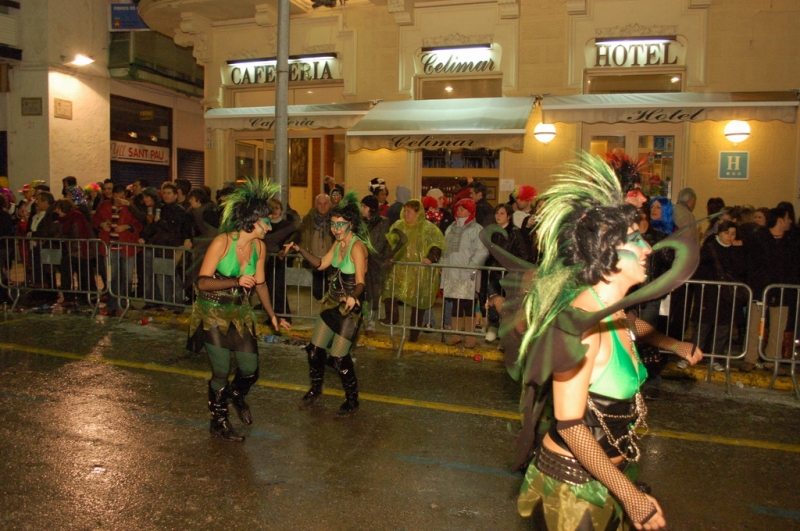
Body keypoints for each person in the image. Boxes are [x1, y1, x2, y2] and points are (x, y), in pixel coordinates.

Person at [492, 153, 702, 530]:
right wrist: (632, 496)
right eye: (635, 240)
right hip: (571, 492)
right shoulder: (579, 328)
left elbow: (631, 326)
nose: (648, 249)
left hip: (607, 478)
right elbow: (571, 424)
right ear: (607, 253)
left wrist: (674, 345)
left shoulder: (610, 309)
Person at [187, 178, 290, 442]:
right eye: (266, 220)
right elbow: (202, 282)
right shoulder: (223, 242)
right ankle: (219, 422)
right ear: (253, 221)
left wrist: (273, 315)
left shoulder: (259, 246)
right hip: (212, 313)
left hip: (240, 313)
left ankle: (237, 395)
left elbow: (262, 284)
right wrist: (234, 281)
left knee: (250, 369)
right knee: (221, 371)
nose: (270, 225)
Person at [284, 191, 370, 415]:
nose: (335, 229)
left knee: (339, 359)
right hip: (331, 303)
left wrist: (354, 296)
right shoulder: (339, 243)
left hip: (349, 310)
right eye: (333, 224)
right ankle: (315, 390)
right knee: (314, 350)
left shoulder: (357, 247)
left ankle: (352, 400)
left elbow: (360, 282)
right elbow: (321, 264)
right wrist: (299, 249)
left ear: (350, 224)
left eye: (340, 225)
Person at [381, 200, 445, 342]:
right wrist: (388, 256)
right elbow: (389, 242)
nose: (406, 214)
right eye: (405, 210)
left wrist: (430, 258)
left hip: (419, 271)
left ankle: (414, 334)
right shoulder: (398, 225)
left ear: (418, 213)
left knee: (418, 301)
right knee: (389, 290)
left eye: (409, 211)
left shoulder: (428, 229)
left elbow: (437, 244)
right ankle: (392, 317)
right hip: (399, 269)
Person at [441, 198, 489, 348]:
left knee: (468, 304)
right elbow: (445, 249)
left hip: (468, 274)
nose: (459, 212)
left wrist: (471, 267)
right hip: (453, 273)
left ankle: (470, 336)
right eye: (458, 209)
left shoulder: (477, 229)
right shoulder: (451, 228)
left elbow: (481, 251)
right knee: (455, 303)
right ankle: (456, 334)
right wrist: (443, 265)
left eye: (462, 209)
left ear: (470, 211)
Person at [93, 184, 143, 315]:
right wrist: (101, 225)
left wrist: (127, 226)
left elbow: (140, 222)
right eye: (116, 198)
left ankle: (124, 303)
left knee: (127, 277)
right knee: (112, 276)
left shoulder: (131, 207)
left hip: (127, 247)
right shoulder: (104, 205)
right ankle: (113, 303)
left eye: (120, 198)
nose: (118, 201)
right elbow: (95, 220)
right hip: (110, 247)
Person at [483, 203, 529, 342]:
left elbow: (523, 254)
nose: (498, 216)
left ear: (509, 216)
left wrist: (511, 265)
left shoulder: (515, 232)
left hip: (509, 275)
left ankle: (505, 335)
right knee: (492, 298)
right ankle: (494, 325)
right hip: (495, 273)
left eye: (502, 213)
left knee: (507, 305)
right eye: (497, 213)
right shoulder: (493, 232)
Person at [290, 194, 333, 301]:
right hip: (315, 261)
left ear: (330, 204)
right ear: (315, 204)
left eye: (325, 203)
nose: (323, 206)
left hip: (331, 262)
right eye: (320, 203)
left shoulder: (335, 220)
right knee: (318, 292)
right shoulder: (308, 219)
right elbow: (299, 234)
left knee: (331, 292)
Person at [264, 198, 300, 323]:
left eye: (277, 208)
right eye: (271, 208)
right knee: (268, 290)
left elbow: (292, 242)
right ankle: (272, 316)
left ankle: (284, 317)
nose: (274, 211)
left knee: (278, 290)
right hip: (266, 262)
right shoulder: (265, 225)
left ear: (281, 210)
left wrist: (284, 252)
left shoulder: (287, 226)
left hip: (280, 263)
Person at [360, 195, 391, 338]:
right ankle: (360, 319)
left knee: (373, 294)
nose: (362, 209)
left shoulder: (383, 223)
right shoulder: (359, 223)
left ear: (371, 209)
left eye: (364, 207)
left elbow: (381, 243)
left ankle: (371, 323)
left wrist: (367, 251)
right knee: (360, 291)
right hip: (360, 262)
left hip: (375, 263)